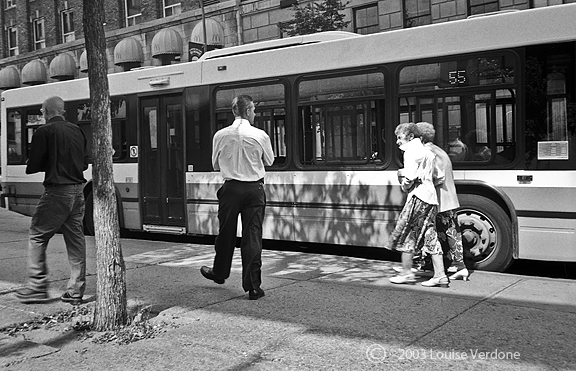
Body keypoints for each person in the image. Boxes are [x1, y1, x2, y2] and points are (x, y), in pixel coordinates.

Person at [15, 96, 89, 305]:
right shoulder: (77, 130)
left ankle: (37, 287)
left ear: (46, 111)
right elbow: (84, 164)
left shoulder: (43, 131)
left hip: (57, 191)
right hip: (78, 192)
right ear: (62, 111)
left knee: (37, 235)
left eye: (41, 111)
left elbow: (33, 165)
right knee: (76, 240)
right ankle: (76, 290)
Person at [200, 95, 274, 300]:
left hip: (230, 189)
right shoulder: (261, 135)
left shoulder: (220, 135)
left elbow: (215, 165)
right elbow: (269, 160)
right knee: (252, 236)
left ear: (234, 112)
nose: (255, 114)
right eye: (254, 110)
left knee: (226, 233)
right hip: (254, 190)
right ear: (248, 111)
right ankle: (253, 287)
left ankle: (220, 272)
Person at [387, 123, 449, 288]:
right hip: (430, 198)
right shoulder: (428, 152)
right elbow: (439, 177)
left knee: (408, 235)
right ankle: (440, 275)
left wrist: (405, 184)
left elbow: (410, 177)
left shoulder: (411, 152)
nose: (397, 142)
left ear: (409, 136)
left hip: (418, 198)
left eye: (399, 137)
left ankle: (406, 273)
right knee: (430, 235)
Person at [417, 122, 469, 280]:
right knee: (451, 232)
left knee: (430, 232)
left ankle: (435, 267)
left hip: (437, 199)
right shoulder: (439, 150)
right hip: (449, 198)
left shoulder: (426, 152)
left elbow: (435, 177)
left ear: (419, 137)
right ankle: (458, 267)